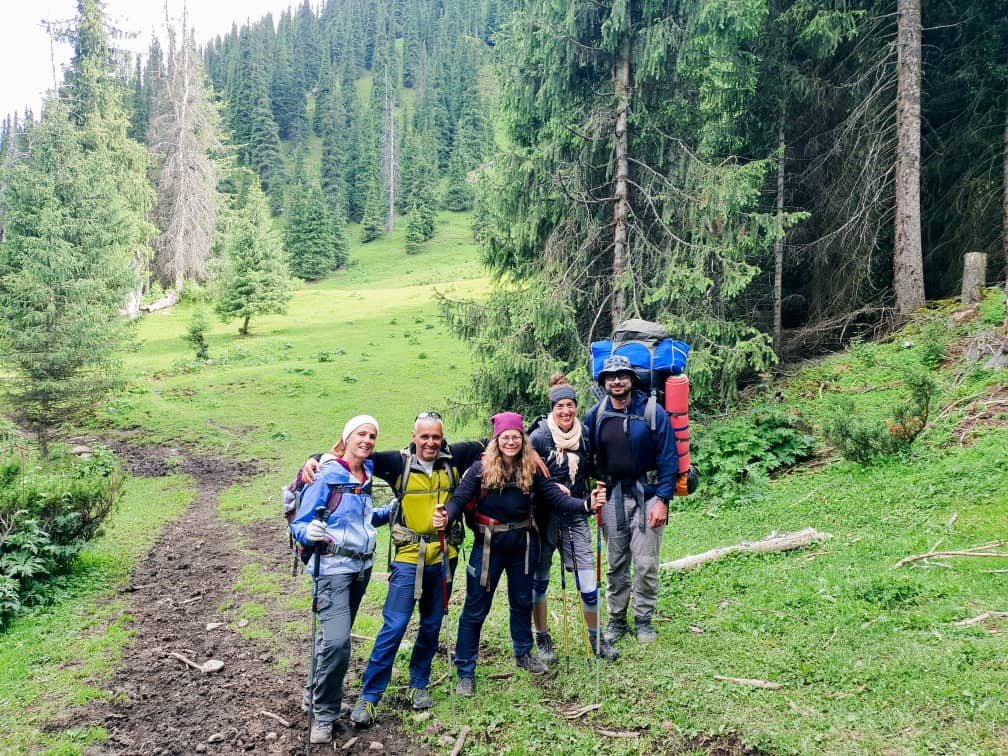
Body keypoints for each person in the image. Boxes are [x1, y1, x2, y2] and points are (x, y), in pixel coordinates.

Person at [295, 412, 484, 728]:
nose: (430, 443)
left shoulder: (456, 458)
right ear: (413, 436)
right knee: (394, 626)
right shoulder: (397, 462)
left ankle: (418, 684)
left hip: (445, 556)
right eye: (424, 437)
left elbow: (496, 442)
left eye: (435, 437)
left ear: (442, 437)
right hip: (409, 556)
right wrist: (316, 458)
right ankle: (369, 698)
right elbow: (354, 454)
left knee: (431, 624)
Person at [433, 412, 606, 698]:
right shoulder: (480, 469)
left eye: (516, 436)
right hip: (488, 546)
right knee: (476, 609)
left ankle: (523, 653)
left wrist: (586, 504)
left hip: (524, 545)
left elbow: (556, 498)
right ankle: (465, 670)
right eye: (505, 437)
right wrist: (445, 517)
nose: (511, 441)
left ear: (522, 440)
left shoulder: (531, 470)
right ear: (496, 440)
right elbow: (458, 501)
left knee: (522, 602)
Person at [290, 415, 381, 745]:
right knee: (338, 643)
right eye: (361, 433)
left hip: (361, 570)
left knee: (328, 641)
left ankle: (311, 697)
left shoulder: (367, 474)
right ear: (347, 437)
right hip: (331, 572)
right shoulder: (327, 473)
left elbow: (364, 520)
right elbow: (299, 524)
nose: (368, 440)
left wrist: (394, 510)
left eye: (372, 435)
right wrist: (308, 531)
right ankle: (325, 714)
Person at [583, 355, 678, 645]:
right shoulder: (596, 414)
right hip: (612, 496)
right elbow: (586, 457)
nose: (616, 381)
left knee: (646, 562)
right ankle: (617, 620)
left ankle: (644, 621)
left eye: (622, 375)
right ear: (603, 382)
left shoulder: (652, 411)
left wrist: (663, 498)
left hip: (648, 495)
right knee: (615, 563)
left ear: (632, 378)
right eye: (610, 377)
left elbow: (668, 458)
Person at [528, 374, 619, 663]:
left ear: (575, 407)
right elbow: (528, 480)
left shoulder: (586, 434)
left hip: (577, 515)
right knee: (540, 581)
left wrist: (603, 482)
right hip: (543, 520)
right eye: (560, 407)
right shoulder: (539, 437)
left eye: (570, 406)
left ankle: (596, 639)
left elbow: (593, 468)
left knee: (588, 582)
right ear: (552, 408)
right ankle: (542, 638)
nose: (565, 412)